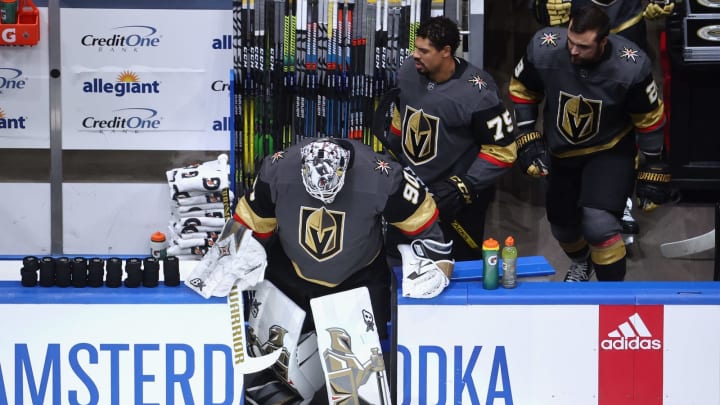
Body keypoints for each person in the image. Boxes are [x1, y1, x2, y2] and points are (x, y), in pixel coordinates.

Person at [186, 137, 454, 403]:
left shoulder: (382, 174)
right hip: (291, 275)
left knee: (358, 391)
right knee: (271, 383)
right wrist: (228, 255)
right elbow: (250, 222)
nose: (324, 198)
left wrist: (436, 260)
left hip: (357, 279)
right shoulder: (277, 169)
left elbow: (425, 220)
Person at [509, 5, 673, 282]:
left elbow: (649, 119)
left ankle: (611, 297)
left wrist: (654, 164)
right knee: (563, 229)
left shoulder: (631, 66)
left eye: (583, 47)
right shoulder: (544, 47)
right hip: (560, 150)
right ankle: (582, 262)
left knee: (599, 225)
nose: (572, 51)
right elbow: (523, 89)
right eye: (570, 41)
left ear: (603, 42)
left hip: (609, 150)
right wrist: (526, 135)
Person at [385, 16, 517, 261]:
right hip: (411, 192)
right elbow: (400, 116)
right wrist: (390, 157)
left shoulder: (479, 92)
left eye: (424, 51)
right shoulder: (407, 72)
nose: (415, 55)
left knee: (457, 272)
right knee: (398, 263)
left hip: (455, 204)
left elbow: (503, 149)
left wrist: (462, 186)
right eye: (416, 48)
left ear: (446, 51)